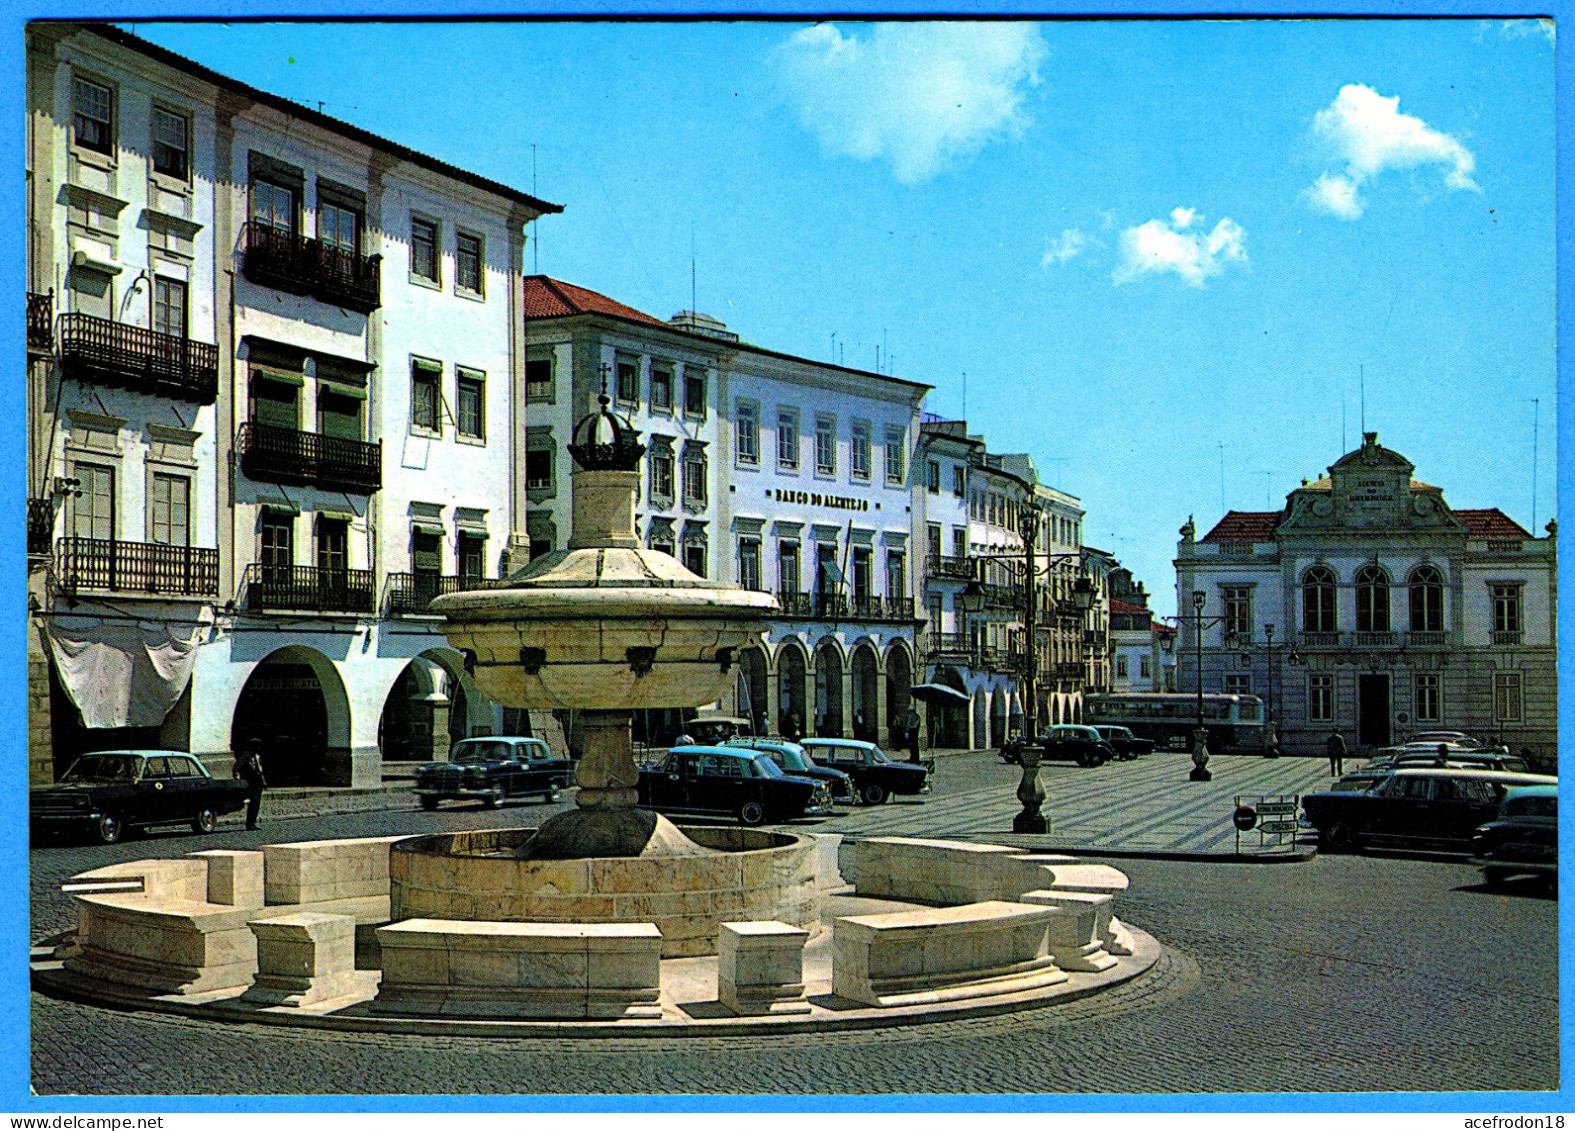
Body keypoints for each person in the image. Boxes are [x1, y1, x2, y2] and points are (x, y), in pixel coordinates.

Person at [234, 737, 268, 830]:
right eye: (257, 745)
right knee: (253, 802)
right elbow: (237, 766)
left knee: (256, 803)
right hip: (251, 780)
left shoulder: (258, 756)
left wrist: (264, 781)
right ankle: (249, 823)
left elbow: (260, 769)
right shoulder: (246, 755)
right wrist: (237, 775)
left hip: (258, 781)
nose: (258, 747)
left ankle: (252, 822)